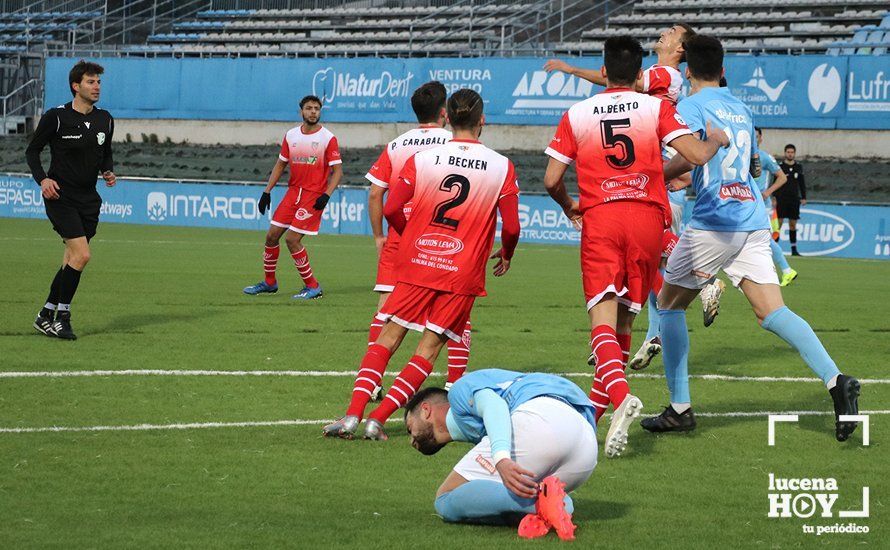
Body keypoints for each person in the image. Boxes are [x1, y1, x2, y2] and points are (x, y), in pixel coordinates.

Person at [642, 35, 860, 442]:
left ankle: (679, 408)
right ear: (722, 70)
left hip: (715, 220)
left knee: (669, 305)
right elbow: (751, 162)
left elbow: (691, 154)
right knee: (772, 312)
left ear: (687, 71)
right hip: (752, 219)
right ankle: (837, 380)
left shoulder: (690, 106)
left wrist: (653, 179)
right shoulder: (740, 108)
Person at [542, 36, 728, 458]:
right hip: (647, 219)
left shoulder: (577, 113)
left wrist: (571, 207)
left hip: (603, 218)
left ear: (604, 72)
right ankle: (591, 419)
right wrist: (715, 140)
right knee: (626, 322)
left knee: (602, 322)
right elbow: (697, 155)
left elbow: (551, 179)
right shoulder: (656, 107)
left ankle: (622, 396)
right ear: (639, 72)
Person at [323, 89, 521, 441]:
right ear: (482, 120)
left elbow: (389, 207)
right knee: (428, 349)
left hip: (419, 262)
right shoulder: (501, 165)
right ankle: (378, 420)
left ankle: (353, 415)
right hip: (460, 272)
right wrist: (506, 253)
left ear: (450, 117)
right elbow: (513, 226)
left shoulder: (424, 158)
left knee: (387, 337)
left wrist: (410, 235)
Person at [404, 369, 598, 540]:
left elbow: (494, 406)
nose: (411, 440)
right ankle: (548, 507)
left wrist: (501, 458)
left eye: (409, 428)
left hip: (541, 419)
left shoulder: (458, 391)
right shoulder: (483, 414)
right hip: (586, 448)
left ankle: (546, 503)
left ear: (426, 410)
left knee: (445, 498)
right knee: (500, 492)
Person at [365, 81, 471, 392]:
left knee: (386, 309)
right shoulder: (455, 142)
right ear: (444, 113)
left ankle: (370, 383)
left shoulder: (397, 145)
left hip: (400, 233)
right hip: (439, 237)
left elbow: (375, 194)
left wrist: (379, 237)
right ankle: (455, 384)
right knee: (456, 312)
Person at [25, 60, 116, 340]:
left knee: (71, 260)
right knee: (82, 255)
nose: (97, 86)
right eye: (91, 82)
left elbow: (106, 150)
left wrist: (107, 170)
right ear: (76, 86)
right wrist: (43, 179)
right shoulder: (57, 117)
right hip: (61, 196)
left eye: (98, 81)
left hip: (89, 200)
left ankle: (44, 315)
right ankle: (62, 317)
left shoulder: (105, 119)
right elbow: (32, 151)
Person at [242, 95, 342, 299]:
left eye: (316, 108)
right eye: (309, 108)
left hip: (313, 196)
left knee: (292, 239)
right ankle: (270, 283)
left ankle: (313, 286)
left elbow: (338, 171)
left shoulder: (327, 138)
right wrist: (266, 191)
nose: (313, 111)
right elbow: (281, 164)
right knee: (271, 236)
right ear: (301, 112)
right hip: (293, 193)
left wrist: (326, 194)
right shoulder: (291, 135)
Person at [544, 23, 696, 105]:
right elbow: (619, 80)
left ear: (680, 47)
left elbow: (619, 79)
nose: (664, 33)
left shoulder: (666, 75)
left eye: (672, 32)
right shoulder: (662, 73)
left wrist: (572, 70)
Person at [754, 127, 797, 286]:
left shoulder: (765, 157)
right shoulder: (743, 156)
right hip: (748, 204)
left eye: (756, 136)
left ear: (761, 139)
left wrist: (767, 192)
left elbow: (781, 178)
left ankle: (786, 270)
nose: (754, 138)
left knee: (765, 240)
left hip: (762, 206)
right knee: (757, 240)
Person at [776, 143, 806, 256]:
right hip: (781, 199)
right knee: (778, 224)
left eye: (792, 152)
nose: (790, 154)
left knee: (792, 224)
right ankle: (774, 248)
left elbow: (802, 183)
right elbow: (775, 182)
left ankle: (794, 249)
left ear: (794, 153)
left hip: (794, 200)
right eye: (788, 152)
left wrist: (804, 197)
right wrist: (774, 197)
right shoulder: (780, 167)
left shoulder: (799, 167)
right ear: (785, 153)